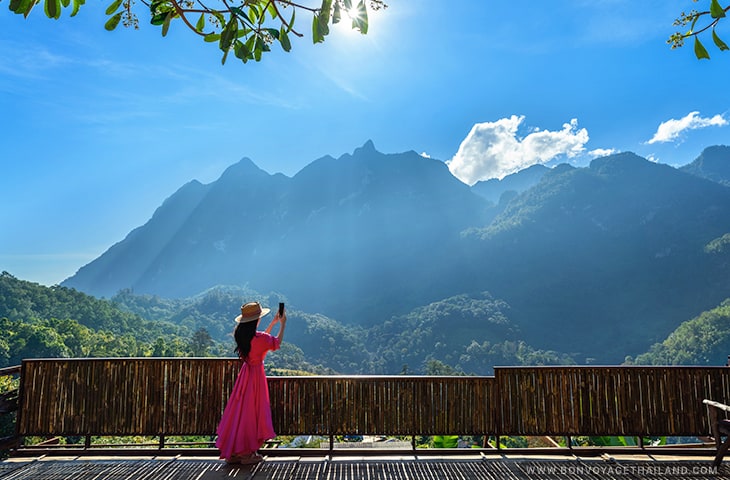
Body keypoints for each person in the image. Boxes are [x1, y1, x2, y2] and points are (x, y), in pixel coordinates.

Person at [215, 301, 287, 465]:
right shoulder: (260, 338)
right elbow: (275, 343)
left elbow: (261, 341)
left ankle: (234, 451)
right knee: (252, 413)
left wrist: (273, 323)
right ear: (256, 320)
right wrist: (283, 324)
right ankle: (246, 453)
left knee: (240, 412)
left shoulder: (243, 336)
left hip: (245, 377)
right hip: (256, 378)